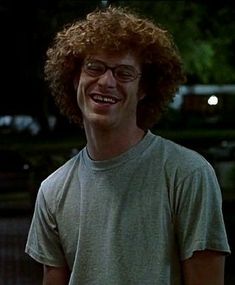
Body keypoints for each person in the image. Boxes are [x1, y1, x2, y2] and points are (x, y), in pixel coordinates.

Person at [25, 6, 230, 285]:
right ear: (75, 79)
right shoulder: (53, 190)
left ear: (143, 89)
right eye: (95, 67)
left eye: (124, 73)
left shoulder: (187, 174)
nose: (107, 81)